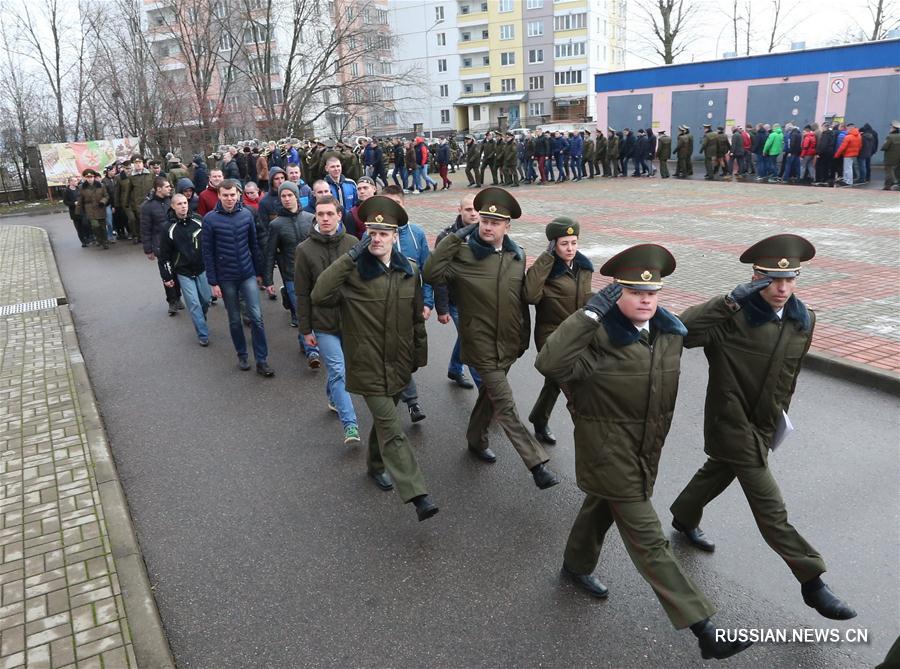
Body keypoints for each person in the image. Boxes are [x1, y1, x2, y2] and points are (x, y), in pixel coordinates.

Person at [535, 245, 751, 661]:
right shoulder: (594, 337)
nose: (646, 299)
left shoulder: (666, 334)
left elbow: (698, 325)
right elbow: (549, 363)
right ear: (616, 293)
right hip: (606, 452)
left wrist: (732, 300)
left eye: (653, 292)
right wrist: (589, 314)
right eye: (635, 292)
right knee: (649, 541)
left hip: (645, 451)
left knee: (600, 505)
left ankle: (576, 565)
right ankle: (703, 627)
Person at [670, 234, 856, 622]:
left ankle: (684, 514)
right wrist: (729, 300)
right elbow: (680, 330)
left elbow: (789, 377)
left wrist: (778, 422)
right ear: (755, 277)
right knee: (771, 508)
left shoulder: (803, 321)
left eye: (790, 280)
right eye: (772, 279)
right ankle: (812, 581)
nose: (782, 288)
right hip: (730, 422)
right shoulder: (731, 316)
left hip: (764, 425)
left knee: (718, 471)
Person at [311, 196, 438, 522]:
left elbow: (415, 321)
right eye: (372, 232)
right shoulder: (352, 271)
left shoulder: (408, 270)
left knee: (385, 421)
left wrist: (416, 359)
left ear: (395, 236)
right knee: (393, 429)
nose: (377, 238)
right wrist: (350, 255)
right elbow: (320, 294)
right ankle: (416, 493)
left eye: (384, 233)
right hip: (366, 365)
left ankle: (374, 464)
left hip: (398, 363)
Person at [424, 187, 559, 490]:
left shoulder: (515, 255)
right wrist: (457, 237)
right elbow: (431, 273)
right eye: (483, 220)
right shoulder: (461, 252)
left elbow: (520, 300)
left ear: (507, 226)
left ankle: (475, 439)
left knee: (490, 396)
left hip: (510, 343)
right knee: (505, 403)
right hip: (480, 343)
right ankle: (536, 464)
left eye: (495, 222)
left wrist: (523, 338)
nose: (487, 226)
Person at [294, 195, 361, 444]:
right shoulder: (304, 250)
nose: (324, 219)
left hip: (350, 320)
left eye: (329, 214)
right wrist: (305, 329)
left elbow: (361, 284)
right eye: (320, 214)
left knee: (340, 372)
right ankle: (350, 425)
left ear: (339, 215)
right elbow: (301, 292)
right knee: (338, 371)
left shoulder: (353, 243)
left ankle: (333, 397)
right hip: (323, 323)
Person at [524, 217, 593, 446]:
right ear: (553, 244)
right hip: (551, 337)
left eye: (574, 242)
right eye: (564, 243)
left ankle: (538, 419)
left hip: (577, 336)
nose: (570, 248)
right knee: (571, 388)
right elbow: (531, 296)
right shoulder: (545, 269)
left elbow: (585, 300)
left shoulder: (584, 267)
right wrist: (546, 258)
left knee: (554, 382)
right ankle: (589, 437)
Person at [201, 179, 274, 376]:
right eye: (225, 195)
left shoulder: (247, 214)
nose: (229, 199)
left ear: (238, 194)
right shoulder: (209, 219)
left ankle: (262, 360)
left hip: (247, 273)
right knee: (234, 319)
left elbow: (254, 245)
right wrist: (213, 282)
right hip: (226, 277)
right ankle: (242, 354)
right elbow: (207, 253)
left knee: (257, 317)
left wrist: (260, 273)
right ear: (219, 196)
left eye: (233, 195)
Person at [380, 185, 432, 423]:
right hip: (382, 306)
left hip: (411, 305)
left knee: (408, 353)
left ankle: (401, 393)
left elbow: (428, 272)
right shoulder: (373, 236)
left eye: (397, 205)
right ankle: (411, 402)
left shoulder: (416, 234)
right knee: (393, 353)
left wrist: (428, 302)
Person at [434, 195, 481, 390]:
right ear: (460, 210)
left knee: (466, 336)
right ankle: (486, 392)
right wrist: (442, 308)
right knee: (472, 341)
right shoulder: (447, 237)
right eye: (468, 209)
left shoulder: (485, 233)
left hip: (478, 299)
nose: (473, 213)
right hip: (456, 301)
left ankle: (454, 368)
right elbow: (439, 275)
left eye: (476, 210)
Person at [263, 182, 314, 345]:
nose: (286, 199)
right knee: (301, 313)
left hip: (313, 274)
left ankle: (304, 340)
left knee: (313, 312)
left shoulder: (310, 219)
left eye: (290, 195)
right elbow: (270, 253)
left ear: (296, 196)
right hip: (291, 275)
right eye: (283, 196)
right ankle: (311, 350)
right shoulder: (276, 225)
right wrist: (268, 280)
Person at [158, 194, 211, 345]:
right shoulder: (168, 228)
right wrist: (167, 276)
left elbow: (208, 242)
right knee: (194, 304)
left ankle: (201, 317)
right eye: (179, 204)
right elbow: (164, 255)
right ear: (173, 206)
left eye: (185, 203)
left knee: (206, 299)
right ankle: (203, 334)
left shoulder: (198, 220)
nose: (183, 206)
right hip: (183, 272)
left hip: (202, 268)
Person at [141, 177, 184, 315]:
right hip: (160, 245)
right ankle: (172, 301)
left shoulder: (170, 201)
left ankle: (178, 297)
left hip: (176, 243)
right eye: (166, 186)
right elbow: (145, 229)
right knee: (167, 274)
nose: (170, 188)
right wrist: (148, 249)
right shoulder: (147, 206)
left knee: (178, 272)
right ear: (158, 188)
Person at [77, 169, 109, 249]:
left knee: (102, 227)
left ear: (94, 177)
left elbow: (106, 196)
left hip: (100, 208)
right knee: (95, 226)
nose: (90, 179)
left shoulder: (101, 185)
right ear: (85, 178)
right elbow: (80, 199)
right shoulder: (82, 187)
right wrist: (78, 211)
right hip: (90, 209)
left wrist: (103, 201)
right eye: (87, 177)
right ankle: (99, 239)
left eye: (91, 177)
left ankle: (105, 241)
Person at [881, 120, 900, 191]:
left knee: (888, 171)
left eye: (891, 127)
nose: (890, 129)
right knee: (898, 171)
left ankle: (888, 185)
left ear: (894, 128)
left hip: (890, 157)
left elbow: (884, 147)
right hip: (898, 158)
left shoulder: (890, 137)